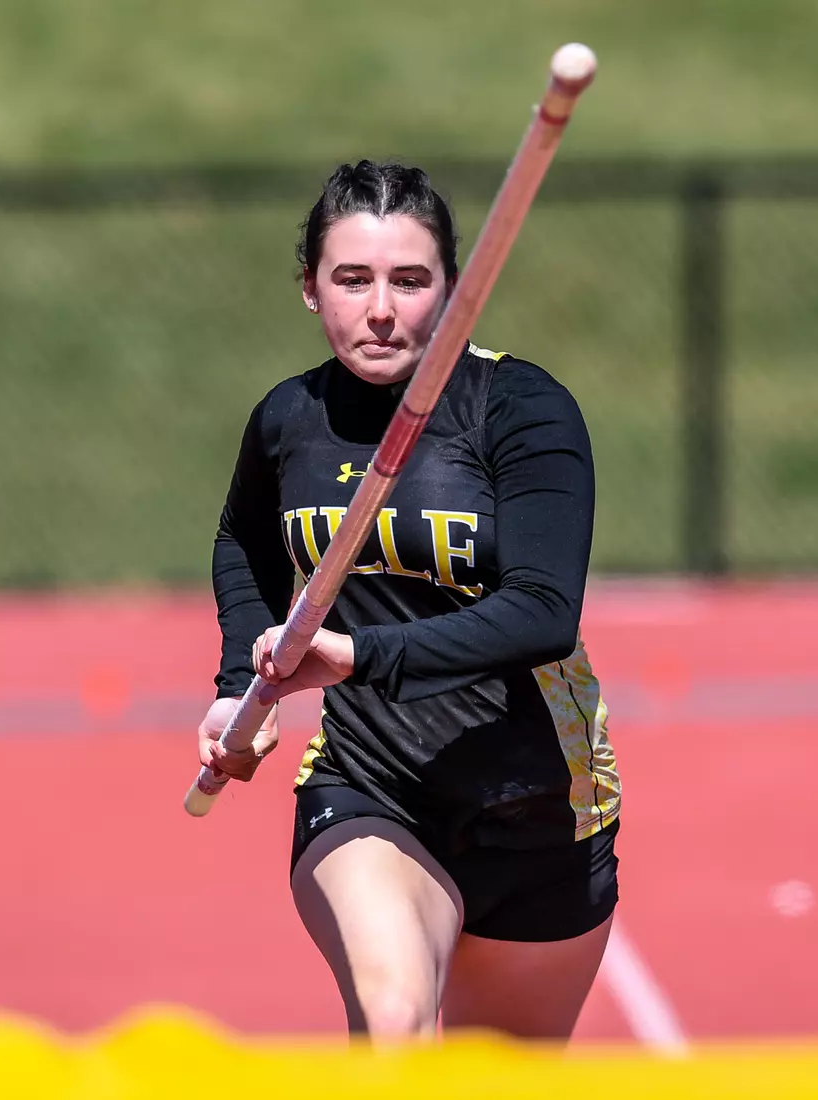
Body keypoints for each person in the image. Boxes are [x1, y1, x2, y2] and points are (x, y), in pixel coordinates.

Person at [196, 160, 621, 1044]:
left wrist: (358, 658)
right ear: (311, 289)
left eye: (410, 280)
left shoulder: (518, 410)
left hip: (539, 800)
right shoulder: (288, 420)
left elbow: (545, 613)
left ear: (455, 292)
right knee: (395, 1028)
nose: (380, 309)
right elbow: (243, 543)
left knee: (496, 1075)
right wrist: (244, 682)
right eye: (352, 279)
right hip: (371, 785)